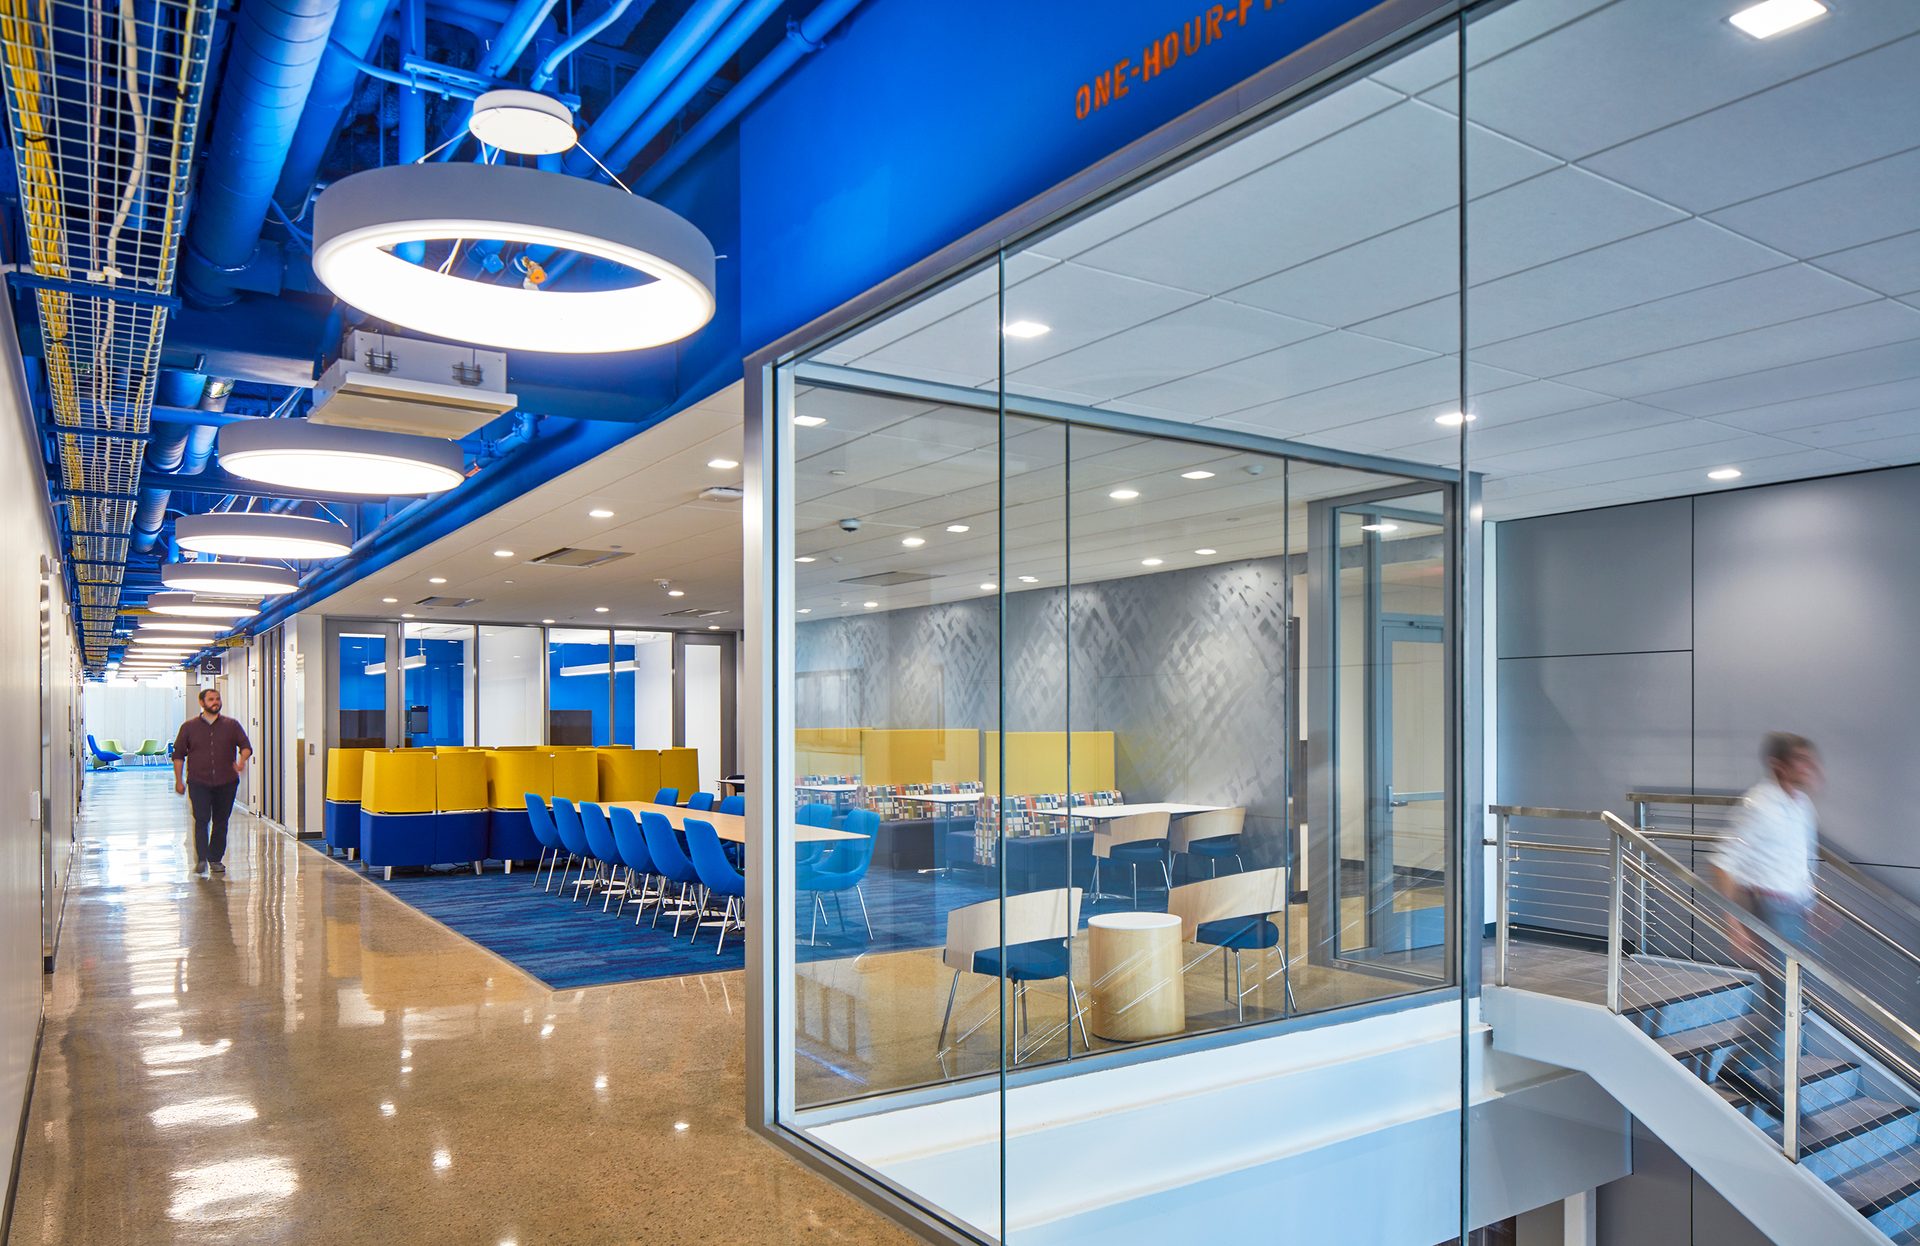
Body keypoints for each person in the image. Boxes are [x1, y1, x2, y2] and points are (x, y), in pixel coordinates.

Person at [1711, 732, 1823, 1103]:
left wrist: (1812, 904)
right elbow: (1722, 863)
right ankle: (1745, 1072)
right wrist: (1736, 924)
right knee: (1782, 1003)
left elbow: (1801, 861)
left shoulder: (1802, 805)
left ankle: (1753, 1070)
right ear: (1779, 765)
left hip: (1794, 911)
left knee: (1790, 1001)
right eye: (1802, 762)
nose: (1812, 769)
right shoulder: (1757, 805)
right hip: (1767, 912)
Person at [173, 687, 253, 878]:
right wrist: (178, 780)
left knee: (221, 821)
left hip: (226, 782)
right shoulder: (189, 727)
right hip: (198, 781)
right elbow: (178, 755)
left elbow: (246, 746)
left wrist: (241, 761)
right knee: (201, 819)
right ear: (202, 703)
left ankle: (215, 858)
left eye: (217, 699)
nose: (215, 702)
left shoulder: (231, 725)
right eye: (211, 699)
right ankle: (201, 859)